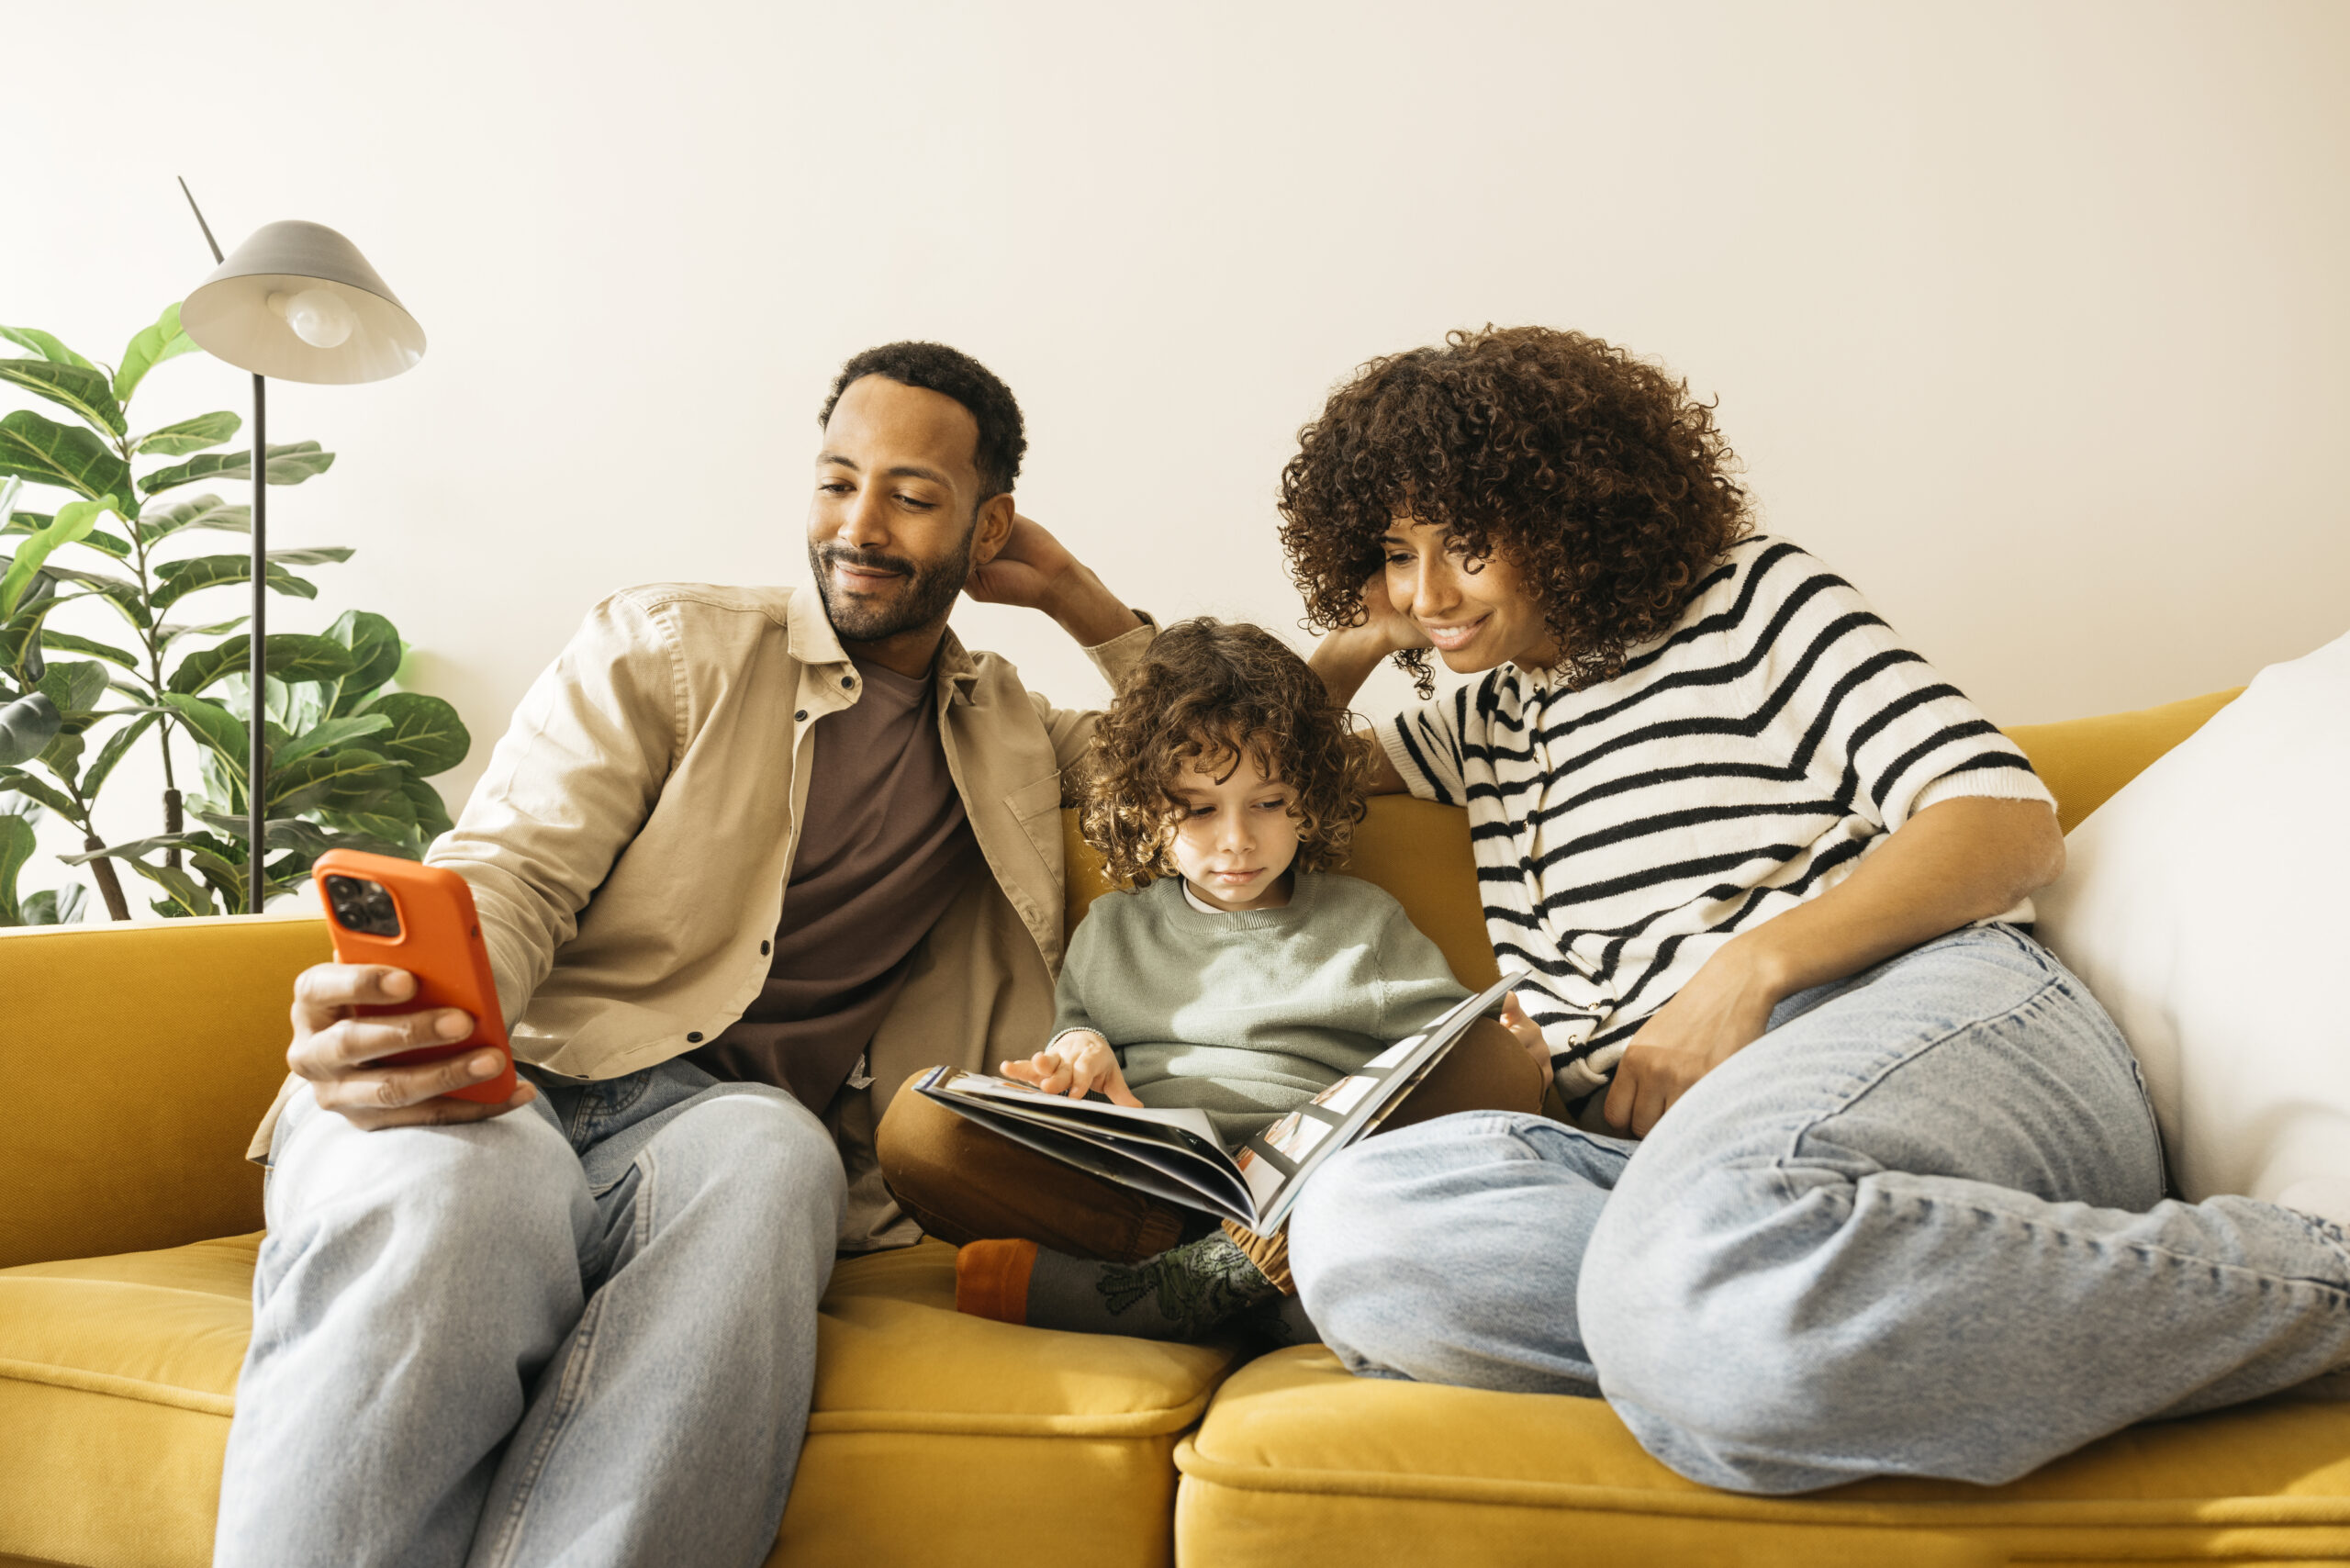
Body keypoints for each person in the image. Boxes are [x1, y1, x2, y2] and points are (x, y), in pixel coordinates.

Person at [1277, 325, 2350, 1495]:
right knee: (1362, 1233)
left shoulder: (1746, 601)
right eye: (1395, 549)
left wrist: (1745, 974)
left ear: (1567, 511)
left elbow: (2000, 818)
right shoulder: (1486, 720)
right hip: (1672, 1164)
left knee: (1707, 1260)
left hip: (1913, 1019)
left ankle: (2316, 1285)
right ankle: (1738, 1324)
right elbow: (1273, 770)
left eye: (1468, 545)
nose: (1429, 591)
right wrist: (1368, 628)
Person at [213, 342, 1156, 1568]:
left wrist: (1080, 595)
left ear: (987, 532)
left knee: (779, 1159)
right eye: (836, 481)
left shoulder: (1015, 732)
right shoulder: (669, 648)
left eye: (914, 498)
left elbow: (1230, 758)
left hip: (713, 1129)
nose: (860, 525)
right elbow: (512, 869)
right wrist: (438, 1012)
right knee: (459, 1195)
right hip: (519, 1074)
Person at [875, 617, 1547, 1342]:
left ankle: (1186, 1291)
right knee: (919, 1126)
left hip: (1308, 1188)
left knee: (1494, 1066)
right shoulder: (1112, 928)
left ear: (1310, 797)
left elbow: (1443, 1059)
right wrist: (1078, 1057)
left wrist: (1513, 1048)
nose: (1237, 840)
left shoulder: (1364, 922)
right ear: (1145, 807)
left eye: (1268, 802)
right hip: (1148, 1197)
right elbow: (1075, 1037)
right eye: (1198, 809)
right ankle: (1244, 1291)